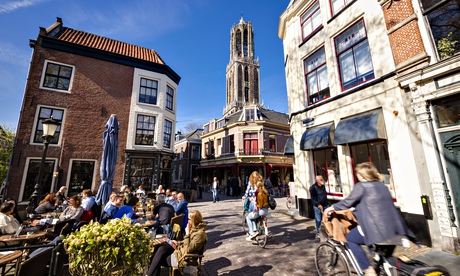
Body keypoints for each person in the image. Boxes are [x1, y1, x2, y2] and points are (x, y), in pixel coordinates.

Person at [324, 162, 413, 276]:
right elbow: (375, 205)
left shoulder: (361, 186)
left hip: (376, 230)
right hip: (396, 229)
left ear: (362, 175)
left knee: (351, 239)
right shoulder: (382, 186)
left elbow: (348, 202)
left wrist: (331, 208)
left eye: (358, 173)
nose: (357, 175)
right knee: (381, 258)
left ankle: (367, 269)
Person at [146, 210, 207, 276]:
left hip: (184, 259)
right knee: (161, 247)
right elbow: (185, 243)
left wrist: (187, 234)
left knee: (157, 258)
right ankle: (150, 273)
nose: (187, 221)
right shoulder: (194, 229)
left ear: (194, 220)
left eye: (189, 219)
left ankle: (149, 274)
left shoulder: (199, 235)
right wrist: (177, 242)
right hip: (179, 252)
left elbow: (188, 250)